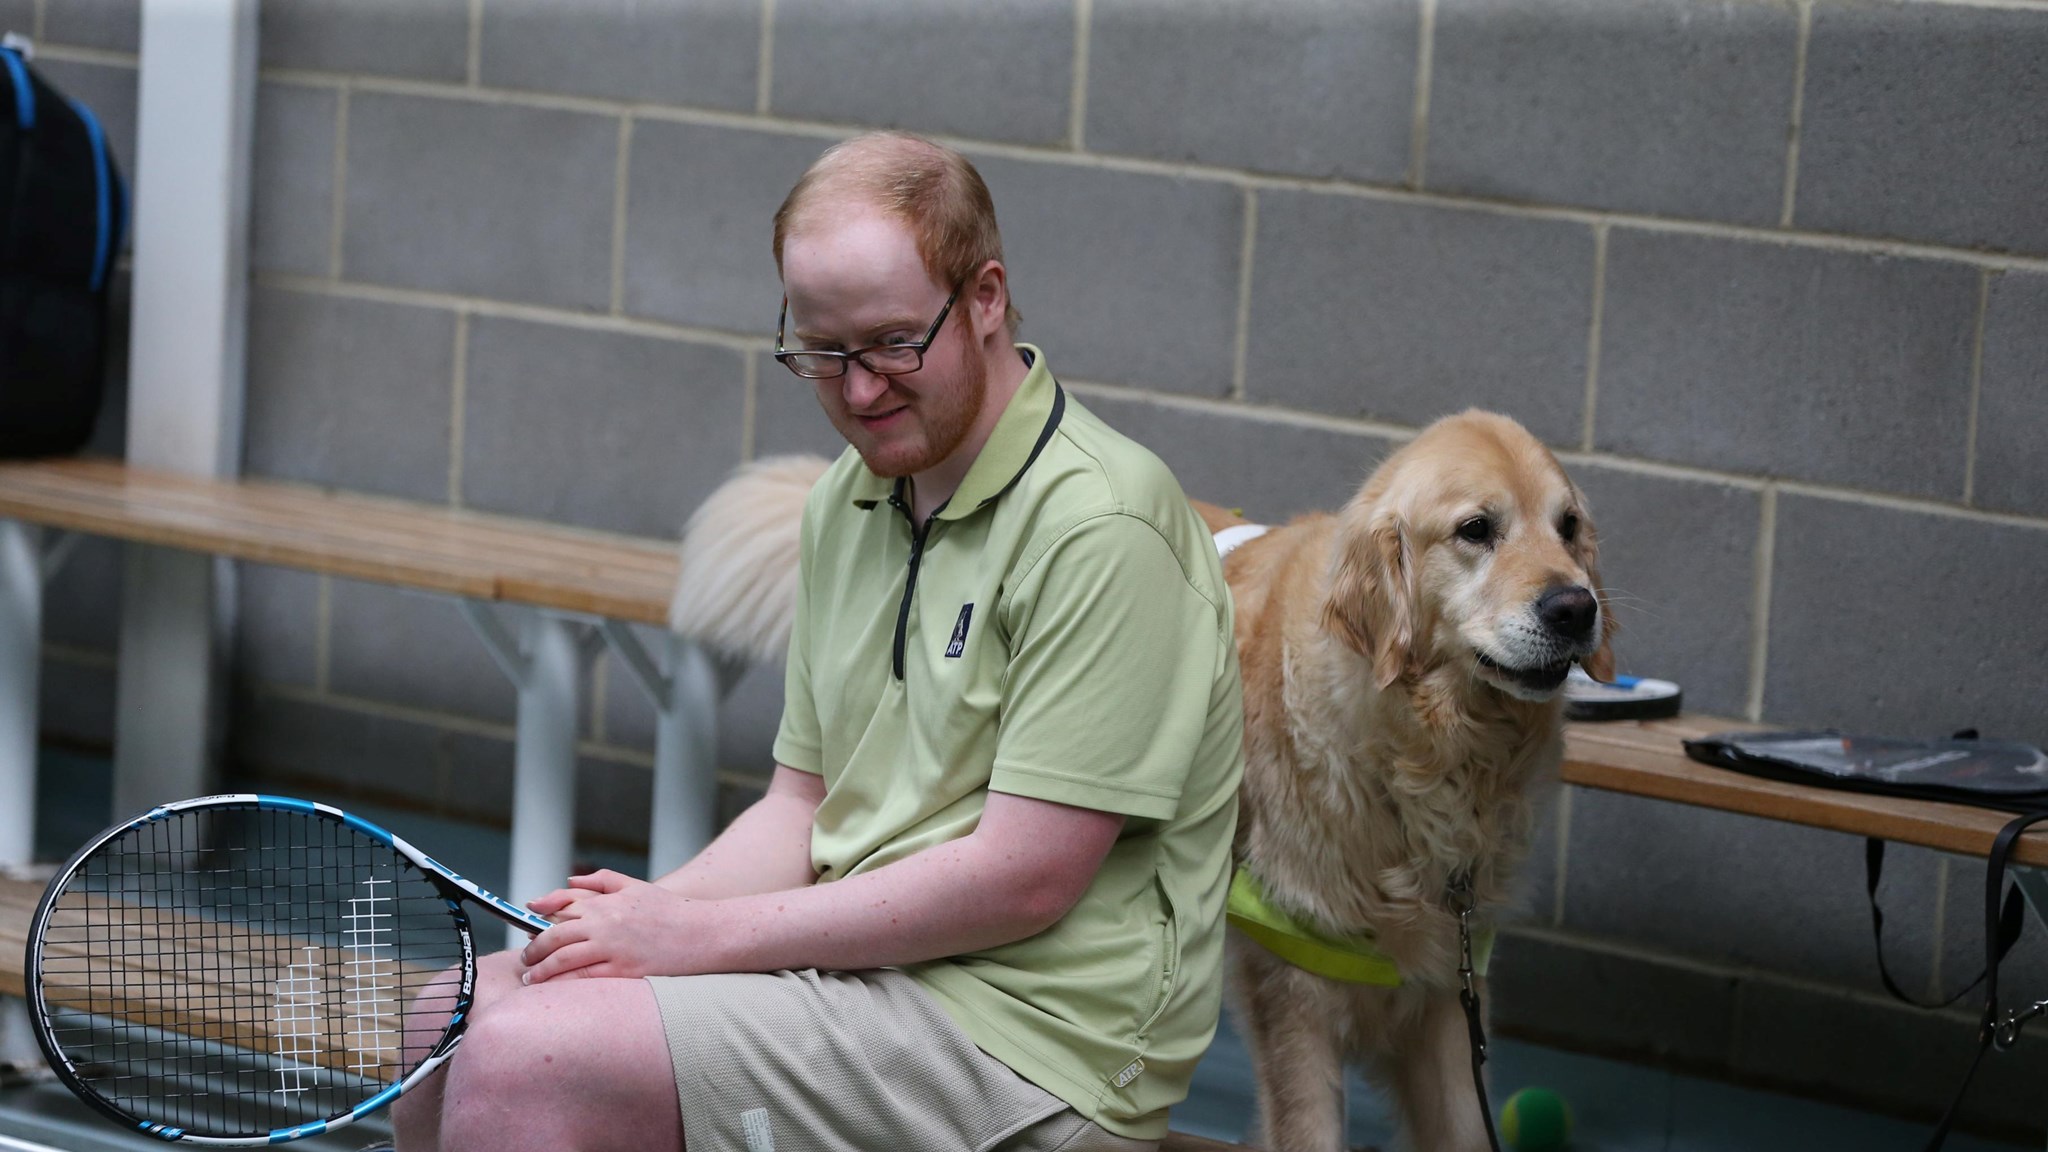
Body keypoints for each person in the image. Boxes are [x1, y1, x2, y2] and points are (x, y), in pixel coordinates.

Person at [390, 131, 1244, 1152]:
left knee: (530, 1060)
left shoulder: (1103, 523)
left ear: (983, 299)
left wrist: (687, 938)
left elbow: (1025, 880)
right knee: (451, 1014)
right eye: (822, 353)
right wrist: (632, 927)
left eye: (890, 343)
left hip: (1037, 1049)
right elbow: (802, 805)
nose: (858, 392)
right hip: (869, 987)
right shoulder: (850, 497)